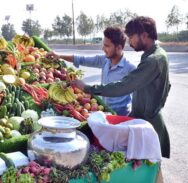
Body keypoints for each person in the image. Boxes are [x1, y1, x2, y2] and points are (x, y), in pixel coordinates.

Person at [71, 16, 171, 158]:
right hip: (141, 118)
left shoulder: (153, 60)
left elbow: (123, 87)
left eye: (132, 37)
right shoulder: (155, 55)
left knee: (149, 169)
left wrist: (87, 88)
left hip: (149, 123)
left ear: (144, 35)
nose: (129, 42)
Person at [47, 27, 136, 116]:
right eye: (103, 45)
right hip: (105, 112)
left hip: (121, 116)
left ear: (119, 47)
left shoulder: (130, 68)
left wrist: (85, 87)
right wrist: (59, 55)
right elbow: (82, 59)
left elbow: (138, 97)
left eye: (107, 46)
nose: (103, 49)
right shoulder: (105, 60)